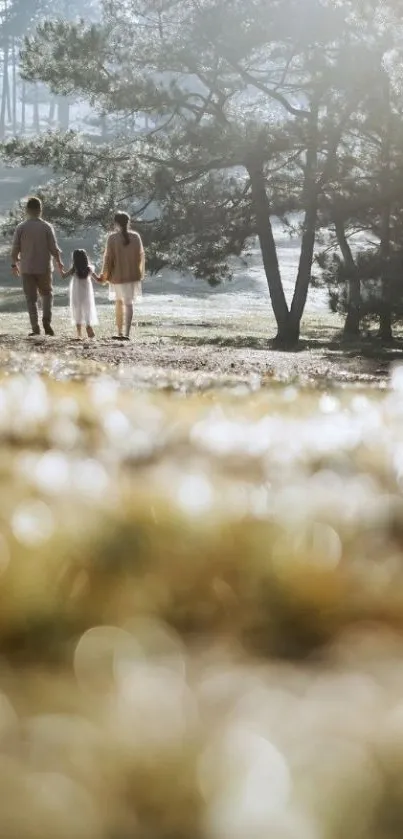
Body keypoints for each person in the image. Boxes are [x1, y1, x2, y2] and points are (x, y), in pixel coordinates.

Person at [11, 196, 64, 337]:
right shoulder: (46, 227)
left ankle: (35, 327)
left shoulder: (21, 227)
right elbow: (54, 248)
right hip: (44, 267)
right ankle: (46, 320)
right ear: (40, 210)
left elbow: (15, 249)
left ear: (27, 210)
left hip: (27, 268)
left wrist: (14, 264)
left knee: (31, 298)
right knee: (47, 294)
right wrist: (59, 262)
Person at [100, 211, 145, 340]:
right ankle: (127, 333)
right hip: (132, 275)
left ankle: (119, 332)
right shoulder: (136, 237)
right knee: (129, 304)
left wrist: (105, 275)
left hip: (117, 276)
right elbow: (141, 256)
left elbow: (108, 258)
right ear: (128, 222)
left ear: (116, 223)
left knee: (119, 303)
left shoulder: (112, 238)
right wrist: (139, 273)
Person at [62, 249, 101, 340]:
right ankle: (88, 326)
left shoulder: (74, 269)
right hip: (87, 292)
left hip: (76, 292)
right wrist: (105, 276)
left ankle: (79, 333)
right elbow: (98, 279)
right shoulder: (89, 269)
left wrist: (60, 267)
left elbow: (63, 276)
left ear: (74, 259)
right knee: (87, 308)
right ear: (85, 258)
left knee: (77, 309)